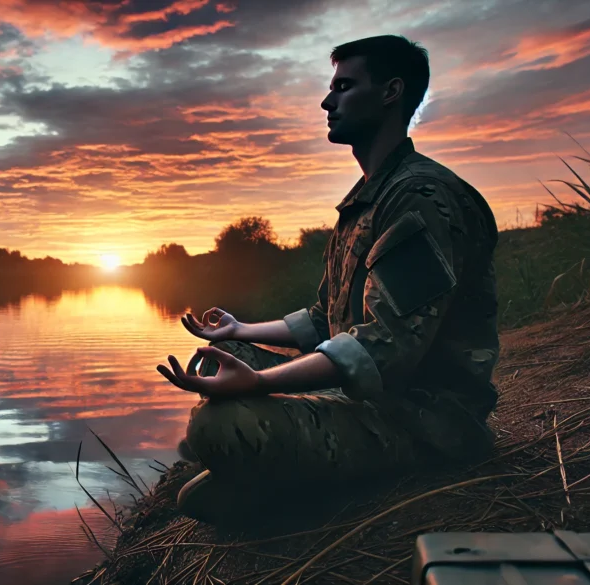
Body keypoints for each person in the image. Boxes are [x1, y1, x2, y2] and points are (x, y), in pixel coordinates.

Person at [156, 35, 501, 526]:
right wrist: (238, 333)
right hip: (372, 398)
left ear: (391, 92)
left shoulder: (421, 197)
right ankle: (287, 466)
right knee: (215, 363)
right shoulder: (364, 201)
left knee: (217, 425)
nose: (326, 100)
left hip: (425, 419)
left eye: (343, 86)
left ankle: (315, 482)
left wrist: (259, 382)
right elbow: (325, 320)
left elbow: (382, 346)